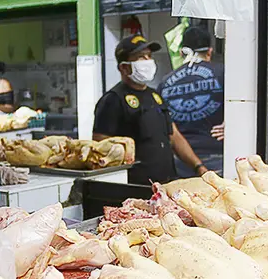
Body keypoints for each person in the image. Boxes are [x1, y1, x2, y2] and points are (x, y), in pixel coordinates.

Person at [93, 35, 209, 185]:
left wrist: (199, 167)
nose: (148, 61)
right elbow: (100, 146)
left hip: (167, 183)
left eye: (149, 56)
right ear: (124, 67)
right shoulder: (113, 100)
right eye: (141, 57)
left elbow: (174, 137)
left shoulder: (155, 96)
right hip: (135, 186)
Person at [159, 24, 226, 177]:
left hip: (182, 159)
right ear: (209, 51)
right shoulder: (223, 73)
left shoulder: (165, 81)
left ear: (182, 52)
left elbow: (165, 125)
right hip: (217, 156)